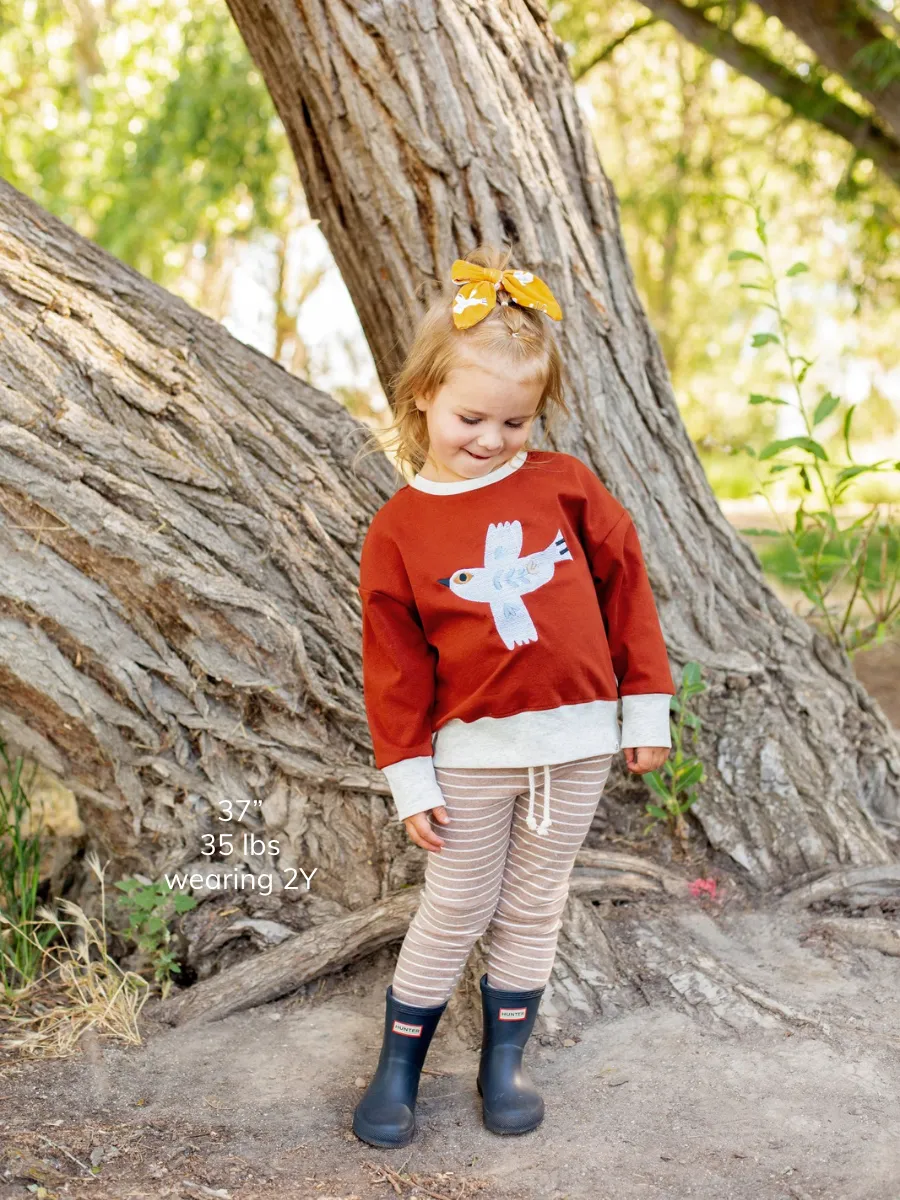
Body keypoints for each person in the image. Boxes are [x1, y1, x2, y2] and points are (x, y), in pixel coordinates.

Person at [350, 245, 675, 1147]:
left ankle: (505, 1064)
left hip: (577, 744)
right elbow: (395, 668)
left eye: (515, 420)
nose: (491, 439)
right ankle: (398, 1069)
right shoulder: (401, 529)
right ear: (422, 395)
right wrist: (411, 779)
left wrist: (644, 704)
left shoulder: (564, 485)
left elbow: (626, 589)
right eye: (470, 417)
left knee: (537, 901)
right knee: (455, 905)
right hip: (472, 759)